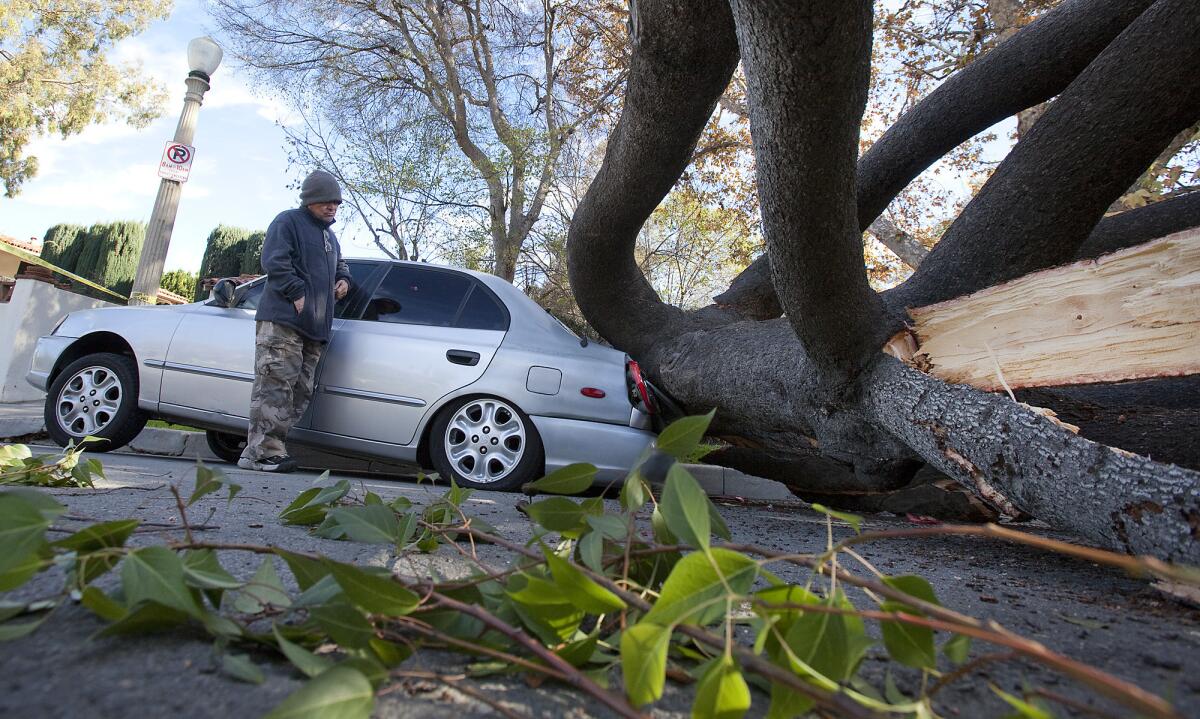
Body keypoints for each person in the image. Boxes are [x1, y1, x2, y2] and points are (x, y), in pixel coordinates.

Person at [238, 170, 351, 472]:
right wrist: (297, 292)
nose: (332, 208)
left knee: (299, 392)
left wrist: (344, 280)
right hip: (283, 321)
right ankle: (263, 452)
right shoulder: (288, 222)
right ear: (309, 200)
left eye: (336, 203)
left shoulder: (330, 237)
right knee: (275, 386)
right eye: (326, 202)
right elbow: (274, 260)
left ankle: (261, 450)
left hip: (314, 329)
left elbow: (341, 265)